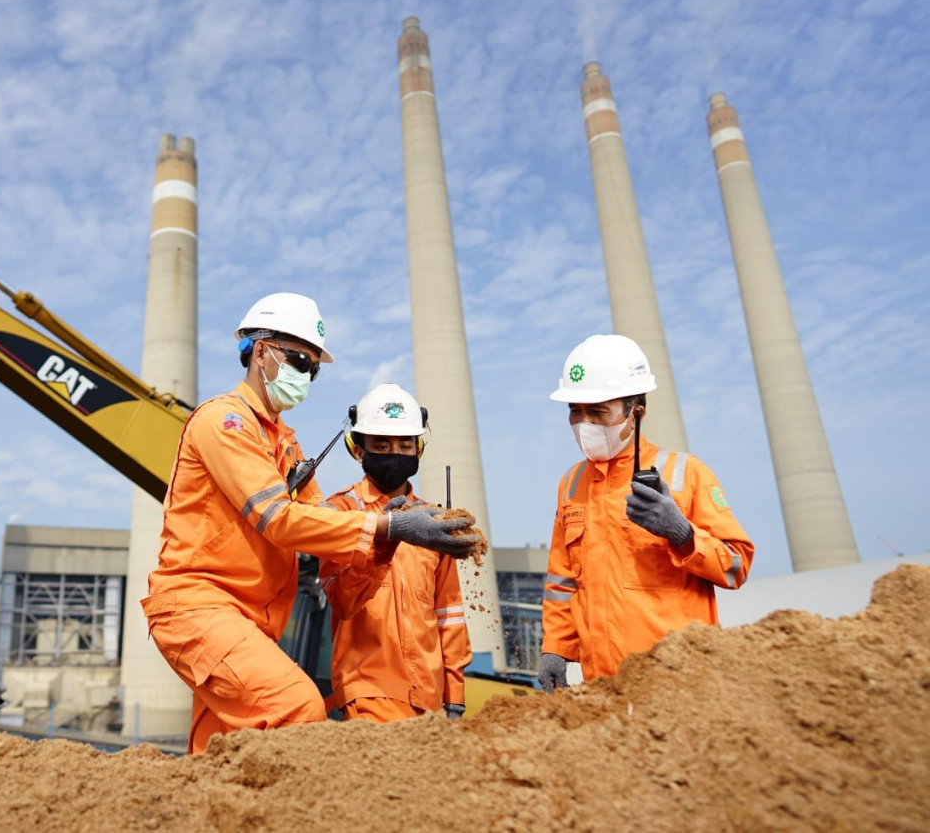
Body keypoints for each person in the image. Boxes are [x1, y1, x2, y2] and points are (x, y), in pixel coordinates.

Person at [142, 293, 478, 752]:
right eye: (299, 360)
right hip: (203, 607)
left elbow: (319, 523)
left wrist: (392, 523)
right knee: (298, 705)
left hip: (248, 621)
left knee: (219, 753)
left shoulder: (286, 445)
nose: (306, 375)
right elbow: (278, 519)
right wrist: (388, 528)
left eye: (313, 368)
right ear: (260, 352)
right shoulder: (226, 422)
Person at [538, 334, 755, 692]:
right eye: (575, 411)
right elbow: (562, 580)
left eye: (598, 412)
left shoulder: (686, 474)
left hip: (678, 680)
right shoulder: (572, 483)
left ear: (635, 411)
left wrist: (683, 535)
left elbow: (736, 566)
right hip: (603, 683)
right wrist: (556, 649)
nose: (584, 423)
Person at [318, 384, 472, 723]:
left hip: (428, 695)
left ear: (419, 448)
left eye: (405, 444)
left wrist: (455, 695)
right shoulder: (339, 512)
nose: (395, 453)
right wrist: (384, 537)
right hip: (368, 689)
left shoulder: (434, 521)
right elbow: (342, 599)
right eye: (382, 445)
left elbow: (449, 613)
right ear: (358, 450)